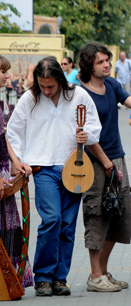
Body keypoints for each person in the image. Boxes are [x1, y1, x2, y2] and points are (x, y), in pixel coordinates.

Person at [7, 56, 101, 296]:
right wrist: (19, 161)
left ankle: (60, 278)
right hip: (43, 168)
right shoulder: (30, 98)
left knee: (68, 225)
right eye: (42, 85)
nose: (46, 90)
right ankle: (43, 277)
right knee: (51, 220)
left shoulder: (79, 96)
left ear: (60, 80)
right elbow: (14, 131)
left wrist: (86, 135)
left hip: (75, 167)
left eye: (50, 86)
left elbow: (94, 127)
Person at [79, 43, 131, 293]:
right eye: (101, 61)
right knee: (97, 215)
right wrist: (105, 162)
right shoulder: (81, 94)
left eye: (108, 61)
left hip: (117, 158)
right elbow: (86, 135)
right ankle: (94, 275)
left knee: (120, 214)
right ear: (89, 64)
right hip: (95, 163)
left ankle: (101, 272)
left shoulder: (111, 85)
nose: (107, 65)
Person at [0, 55, 33, 291]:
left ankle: (9, 282)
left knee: (9, 229)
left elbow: (3, 137)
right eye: (3, 71)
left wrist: (15, 161)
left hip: (3, 169)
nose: (8, 76)